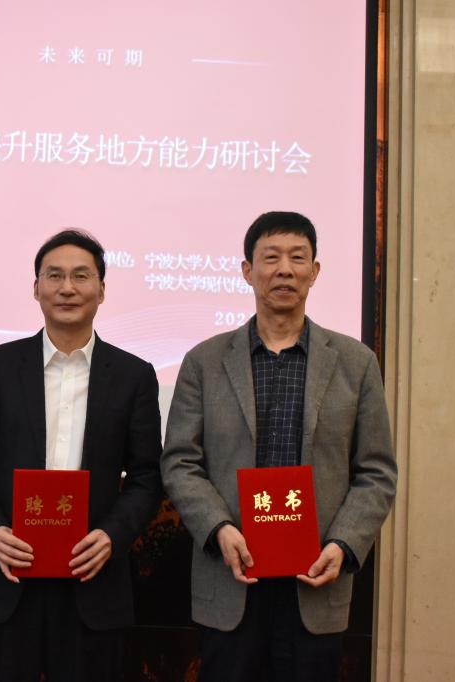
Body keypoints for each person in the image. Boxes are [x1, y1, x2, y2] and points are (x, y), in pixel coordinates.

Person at [160, 211, 397, 681]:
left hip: (315, 579)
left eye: (297, 258)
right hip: (230, 577)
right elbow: (181, 461)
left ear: (315, 271)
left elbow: (377, 471)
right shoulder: (205, 361)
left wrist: (344, 544)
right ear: (248, 271)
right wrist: (219, 528)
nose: (284, 269)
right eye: (271, 258)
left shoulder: (356, 363)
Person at [0, 229, 163, 682]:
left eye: (81, 276)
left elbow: (147, 476)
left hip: (92, 580)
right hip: (10, 578)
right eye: (55, 276)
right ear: (36, 288)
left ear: (101, 290)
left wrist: (112, 536)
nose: (67, 288)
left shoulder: (134, 376)